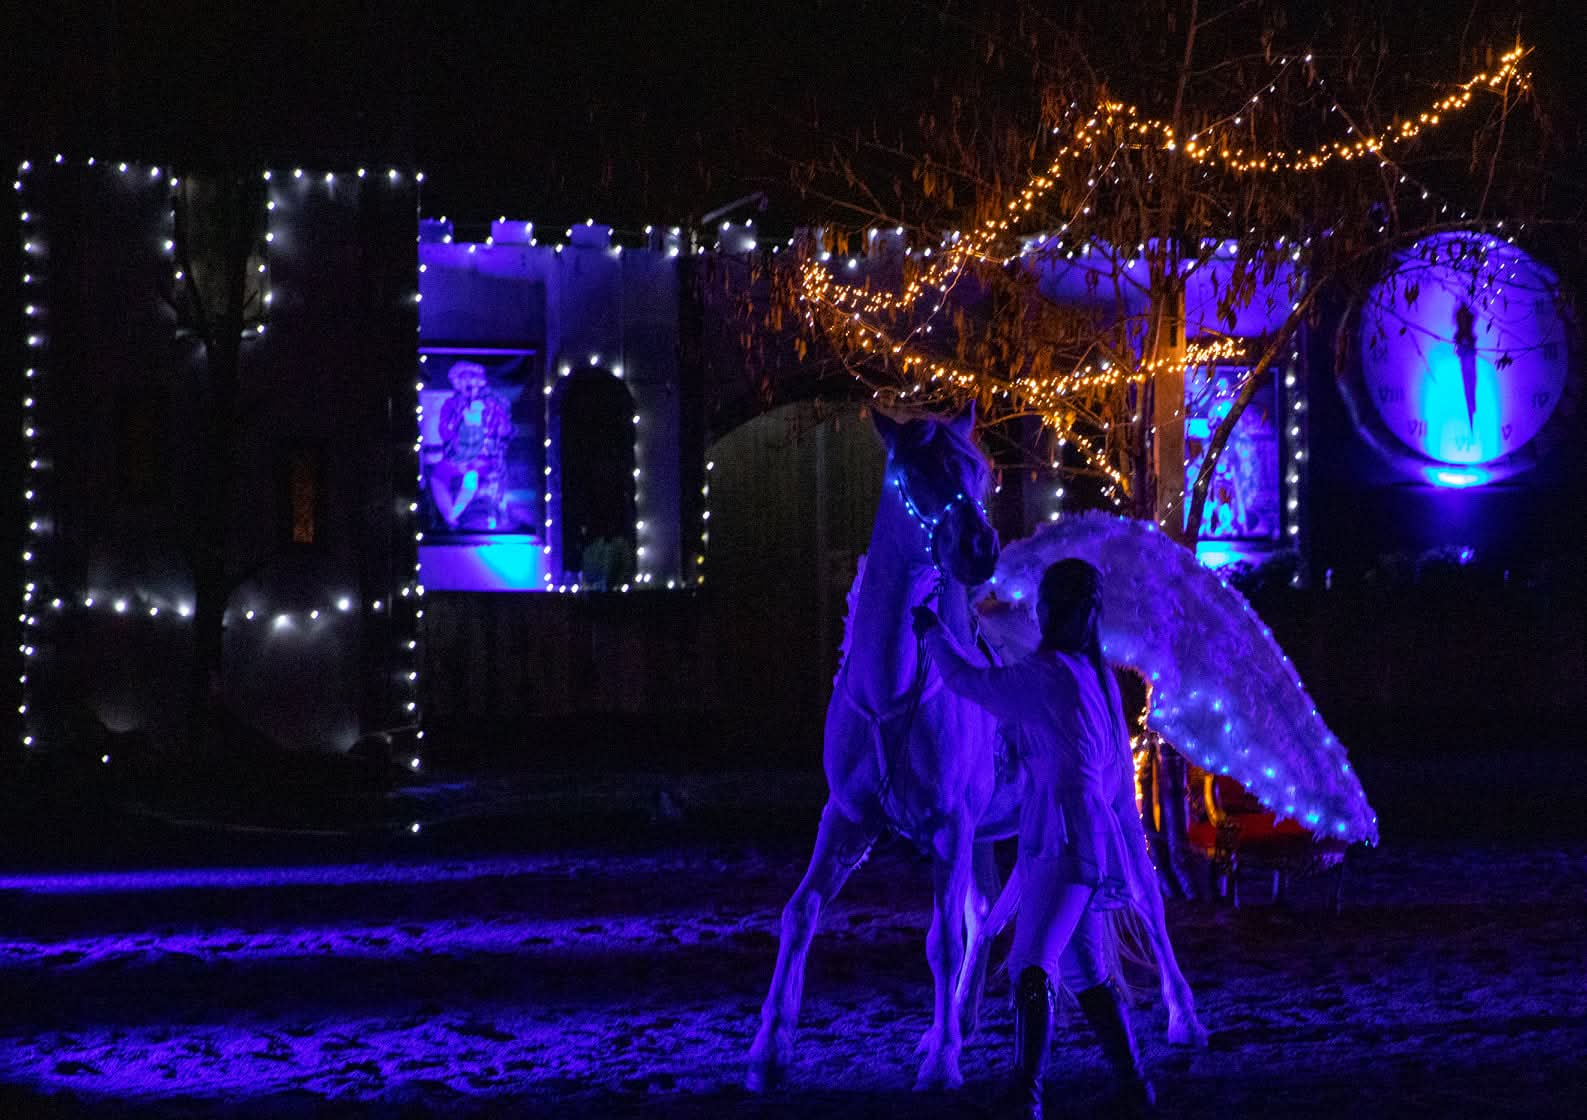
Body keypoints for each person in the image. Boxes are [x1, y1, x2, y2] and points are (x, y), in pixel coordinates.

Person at [913, 559, 1160, 1118]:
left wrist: (932, 633)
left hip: (1060, 839)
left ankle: (1026, 1093)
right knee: (1085, 970)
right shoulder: (1091, 675)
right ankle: (1132, 1083)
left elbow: (971, 682)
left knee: (1031, 963)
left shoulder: (1048, 675)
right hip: (1083, 837)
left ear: (1050, 610)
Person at [429, 360, 513, 530]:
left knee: (471, 477)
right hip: (459, 454)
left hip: (487, 457)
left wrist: (496, 429)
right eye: (464, 378)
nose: (469, 383)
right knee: (437, 476)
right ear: (457, 382)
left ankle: (458, 517)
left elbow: (505, 431)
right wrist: (458, 428)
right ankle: (449, 518)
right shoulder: (451, 405)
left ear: (480, 381)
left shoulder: (494, 404)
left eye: (473, 378)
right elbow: (444, 432)